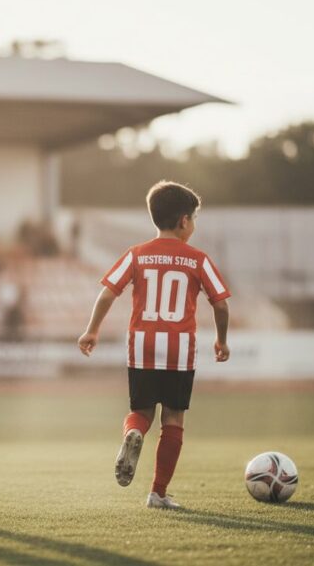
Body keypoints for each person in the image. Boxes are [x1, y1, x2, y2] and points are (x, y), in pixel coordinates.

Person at [77, 181, 231, 509]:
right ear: (184, 222)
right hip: (179, 349)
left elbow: (107, 293)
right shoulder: (198, 259)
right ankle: (158, 493)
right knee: (173, 418)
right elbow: (220, 304)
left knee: (140, 411)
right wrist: (221, 339)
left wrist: (91, 331)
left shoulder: (137, 254)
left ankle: (132, 434)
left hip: (142, 344)